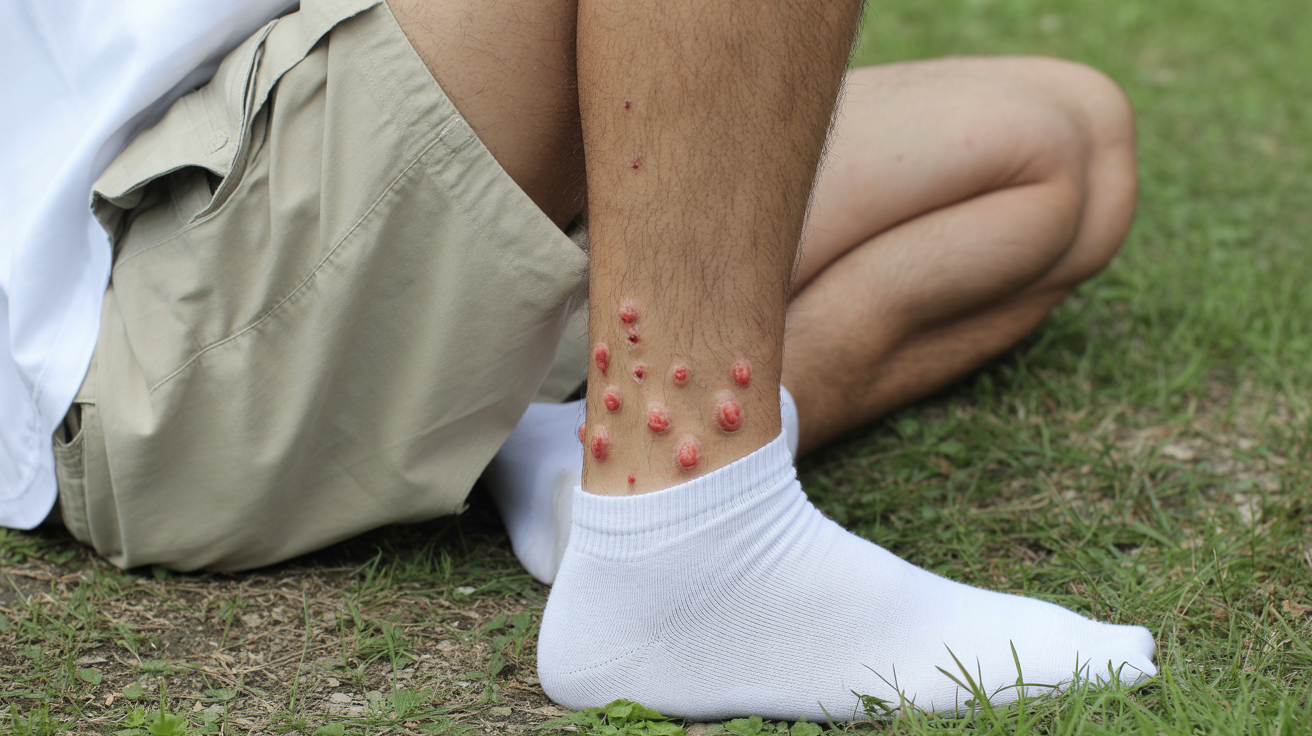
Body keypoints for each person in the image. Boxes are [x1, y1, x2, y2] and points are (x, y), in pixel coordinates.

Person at [1, 0, 1155, 720]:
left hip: (350, 227)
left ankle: (574, 444)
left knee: (1058, 151)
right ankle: (689, 533)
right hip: (151, 329)